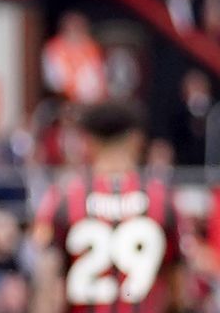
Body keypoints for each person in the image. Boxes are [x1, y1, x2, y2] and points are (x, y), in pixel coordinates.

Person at [30, 99, 192, 313]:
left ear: (88, 142)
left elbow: (46, 286)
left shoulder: (63, 198)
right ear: (137, 140)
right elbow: (180, 292)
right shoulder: (163, 199)